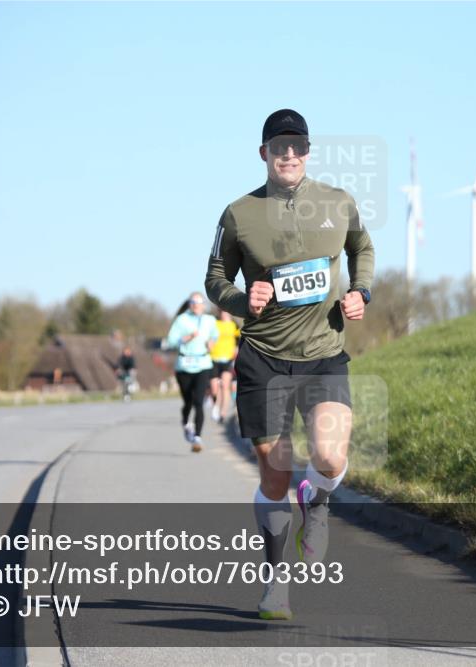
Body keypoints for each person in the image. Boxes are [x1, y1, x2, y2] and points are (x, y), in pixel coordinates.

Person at [206, 108, 375, 620]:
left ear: (308, 151)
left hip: (324, 355)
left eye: (298, 146)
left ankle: (317, 499)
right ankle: (276, 584)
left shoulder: (337, 203)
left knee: (328, 457)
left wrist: (361, 291)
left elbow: (361, 247)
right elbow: (215, 277)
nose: (289, 155)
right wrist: (242, 299)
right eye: (279, 147)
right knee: (274, 477)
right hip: (263, 360)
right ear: (264, 153)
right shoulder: (239, 213)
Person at [165, 293, 219, 453]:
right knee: (188, 401)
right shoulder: (181, 320)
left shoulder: (209, 320)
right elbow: (170, 341)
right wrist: (185, 338)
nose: (195, 305)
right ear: (189, 304)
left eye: (199, 302)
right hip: (184, 365)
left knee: (198, 401)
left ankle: (197, 437)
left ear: (203, 305)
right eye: (192, 302)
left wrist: (212, 342)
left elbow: (215, 335)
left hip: (203, 364)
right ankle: (185, 422)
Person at [209, 310, 240, 423]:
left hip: (228, 358)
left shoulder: (234, 325)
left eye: (226, 312)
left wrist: (236, 349)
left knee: (225, 385)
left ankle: (223, 412)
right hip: (214, 358)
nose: (224, 314)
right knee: (214, 388)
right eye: (222, 312)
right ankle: (216, 406)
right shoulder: (215, 324)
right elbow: (209, 337)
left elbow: (238, 339)